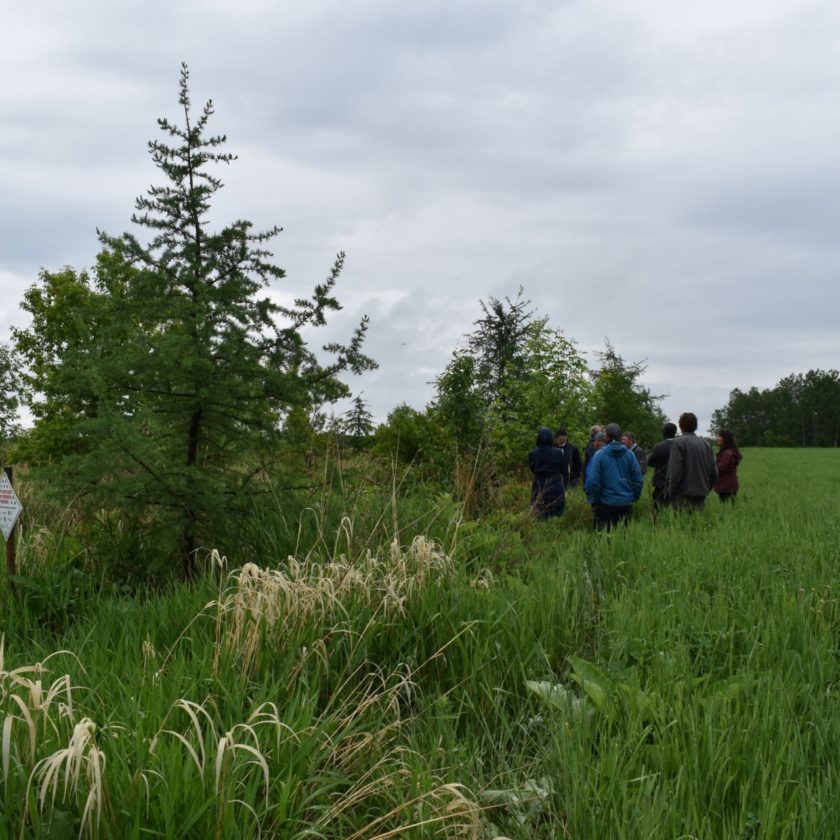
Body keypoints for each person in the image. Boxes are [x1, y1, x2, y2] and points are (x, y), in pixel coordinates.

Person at [585, 422, 644, 530]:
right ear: (620, 437)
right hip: (626, 504)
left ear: (606, 436)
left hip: (606, 505)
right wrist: (633, 497)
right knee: (624, 539)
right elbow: (638, 480)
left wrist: (597, 500)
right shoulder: (630, 455)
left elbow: (593, 482)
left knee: (605, 540)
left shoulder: (599, 455)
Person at [667, 412, 718, 510]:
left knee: (681, 525)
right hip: (700, 496)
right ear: (696, 426)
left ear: (681, 426)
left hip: (681, 497)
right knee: (697, 525)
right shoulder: (706, 444)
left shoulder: (677, 443)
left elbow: (675, 472)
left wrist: (671, 493)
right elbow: (715, 473)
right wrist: (706, 489)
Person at [528, 426, 567, 520]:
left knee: (541, 517)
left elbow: (532, 468)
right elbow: (563, 469)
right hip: (556, 487)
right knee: (557, 517)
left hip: (539, 488)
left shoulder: (533, 453)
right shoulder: (558, 452)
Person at [647, 422, 677, 509]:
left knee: (658, 509)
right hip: (676, 484)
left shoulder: (659, 446)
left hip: (661, 484)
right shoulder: (679, 445)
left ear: (664, 432)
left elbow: (649, 462)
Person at [714, 428, 742, 502]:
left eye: (719, 436)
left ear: (725, 439)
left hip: (727, 487)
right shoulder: (729, 451)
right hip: (729, 486)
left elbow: (720, 469)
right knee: (729, 510)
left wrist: (710, 467)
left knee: (726, 510)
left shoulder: (727, 454)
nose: (717, 438)